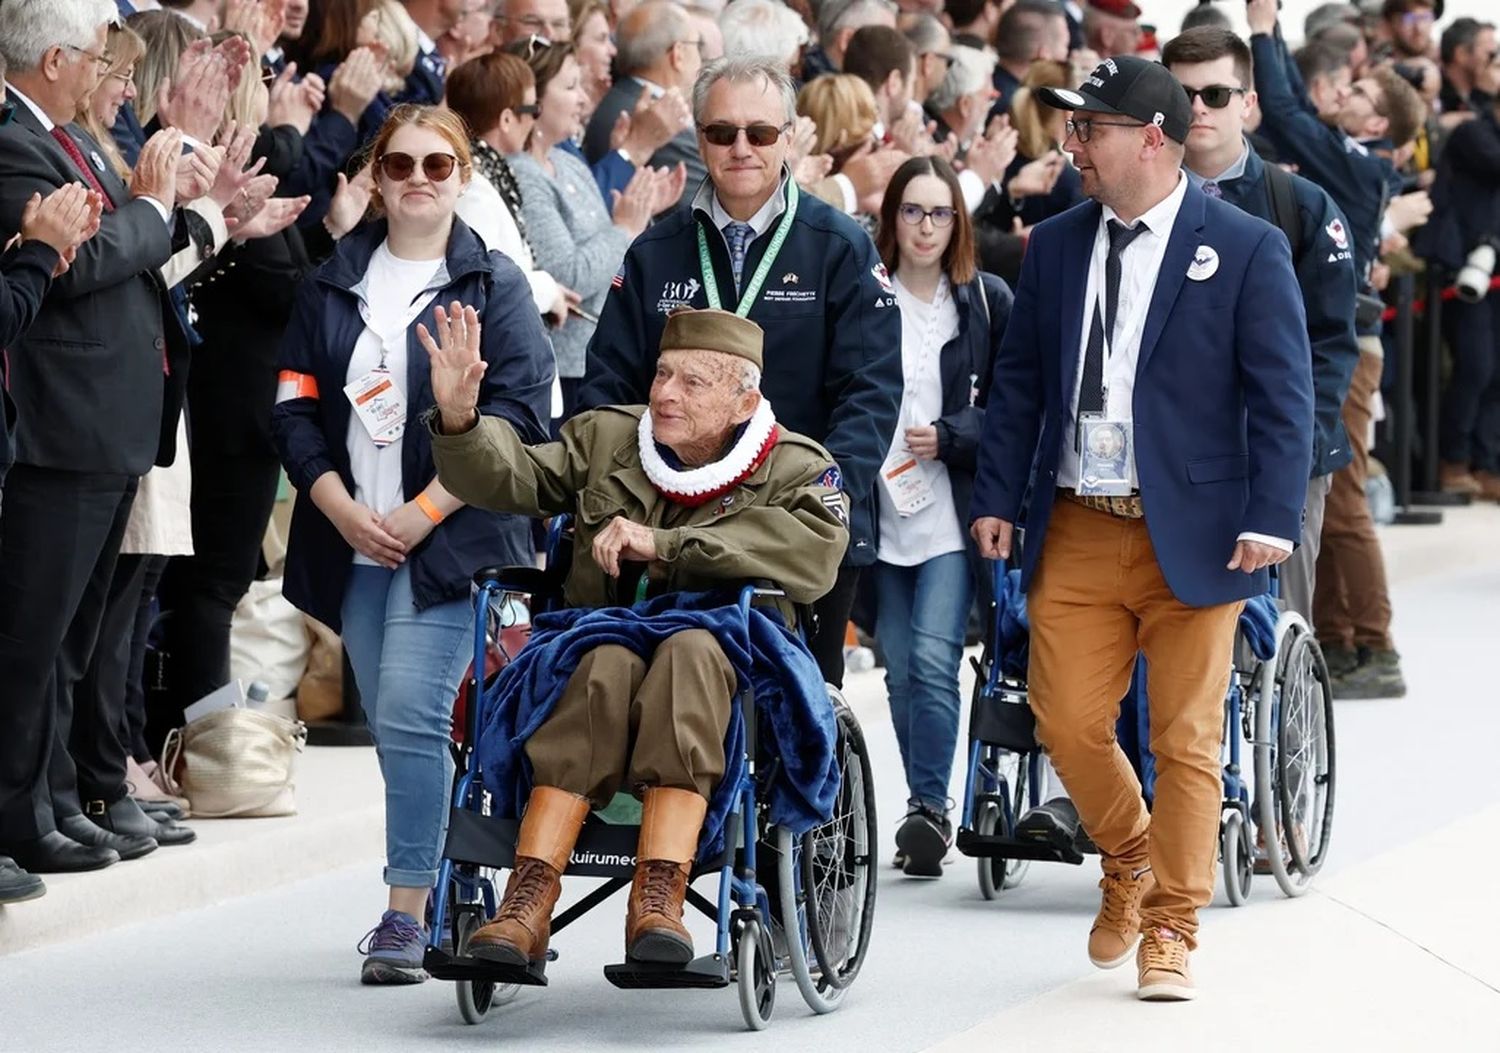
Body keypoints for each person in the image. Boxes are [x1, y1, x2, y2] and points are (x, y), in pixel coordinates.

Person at [970, 56, 1313, 1001]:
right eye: (1075, 127)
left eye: (1092, 129)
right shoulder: (1055, 242)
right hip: (1078, 519)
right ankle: (1129, 851)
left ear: (1152, 139)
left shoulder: (1241, 245)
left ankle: (1172, 925)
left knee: (1189, 738)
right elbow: (1021, 385)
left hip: (1202, 529)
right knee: (1065, 719)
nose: (1073, 144)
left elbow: (1285, 396)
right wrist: (997, 494)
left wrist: (1272, 516)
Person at [426, 308, 847, 969]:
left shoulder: (796, 467)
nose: (666, 394)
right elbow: (517, 479)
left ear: (746, 399)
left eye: (693, 382)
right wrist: (461, 422)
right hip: (604, 640)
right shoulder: (608, 437)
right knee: (602, 661)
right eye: (662, 373)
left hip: (722, 657)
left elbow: (814, 555)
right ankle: (527, 899)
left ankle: (658, 895)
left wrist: (671, 545)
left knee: (688, 651)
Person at [270, 104, 554, 985]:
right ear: (375, 176)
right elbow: (291, 407)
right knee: (407, 732)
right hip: (353, 537)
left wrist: (420, 512)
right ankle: (450, 871)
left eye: (439, 165)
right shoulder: (331, 280)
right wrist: (341, 507)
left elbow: (520, 419)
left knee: (405, 710)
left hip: (453, 543)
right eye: (401, 165)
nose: (420, 181)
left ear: (464, 176)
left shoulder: (495, 283)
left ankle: (405, 913)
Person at [580, 56, 903, 687]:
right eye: (722, 132)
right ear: (700, 138)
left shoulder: (839, 246)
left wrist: (822, 495)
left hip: (797, 524)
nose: (741, 148)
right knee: (668, 703)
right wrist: (622, 495)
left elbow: (871, 392)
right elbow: (607, 390)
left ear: (788, 138)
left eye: (760, 133)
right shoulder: (655, 249)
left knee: (799, 719)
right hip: (670, 522)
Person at [0, 0, 192, 880]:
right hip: (61, 423)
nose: (104, 73)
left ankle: (60, 797)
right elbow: (76, 258)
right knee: (34, 637)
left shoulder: (71, 139)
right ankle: (21, 810)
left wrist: (164, 212)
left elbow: (112, 241)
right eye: (93, 56)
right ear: (50, 62)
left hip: (107, 419)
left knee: (72, 638)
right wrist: (153, 210)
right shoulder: (15, 141)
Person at [1247, 0, 1423, 698]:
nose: (1343, 94)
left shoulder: (1355, 164)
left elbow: (1286, 112)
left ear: (1377, 124)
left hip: (1348, 344)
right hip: (1356, 336)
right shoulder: (1359, 161)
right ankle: (1347, 638)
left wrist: (1263, 30)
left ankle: (1377, 645)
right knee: (1338, 493)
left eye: (1357, 94)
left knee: (1343, 497)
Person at [1163, 27, 1361, 625]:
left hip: (1282, 455)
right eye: (1183, 93)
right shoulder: (1133, 203)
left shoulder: (1300, 204)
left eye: (1216, 95)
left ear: (1249, 104)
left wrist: (1296, 450)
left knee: (1280, 624)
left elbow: (1329, 343)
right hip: (1175, 455)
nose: (1198, 108)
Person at [872, 157, 1011, 878]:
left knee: (932, 656)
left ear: (958, 222)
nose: (926, 226)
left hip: (949, 511)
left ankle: (929, 807)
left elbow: (1019, 407)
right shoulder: (864, 296)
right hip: (880, 509)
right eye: (912, 211)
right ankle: (923, 803)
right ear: (890, 217)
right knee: (898, 667)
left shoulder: (983, 303)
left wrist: (955, 434)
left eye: (940, 213)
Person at [506, 38, 680, 424]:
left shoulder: (568, 164)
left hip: (599, 359)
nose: (584, 99)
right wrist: (625, 226)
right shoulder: (520, 173)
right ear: (530, 97)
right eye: (569, 87)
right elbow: (566, 276)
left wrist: (642, 212)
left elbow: (611, 250)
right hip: (560, 370)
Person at [447, 50, 574, 328]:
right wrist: (549, 291)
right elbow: (486, 279)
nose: (534, 120)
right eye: (532, 110)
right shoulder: (472, 188)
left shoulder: (487, 175)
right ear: (506, 120)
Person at [581, 0, 704, 211]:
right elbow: (703, 207)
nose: (702, 59)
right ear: (678, 54)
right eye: (698, 46)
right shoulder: (663, 122)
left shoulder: (617, 100)